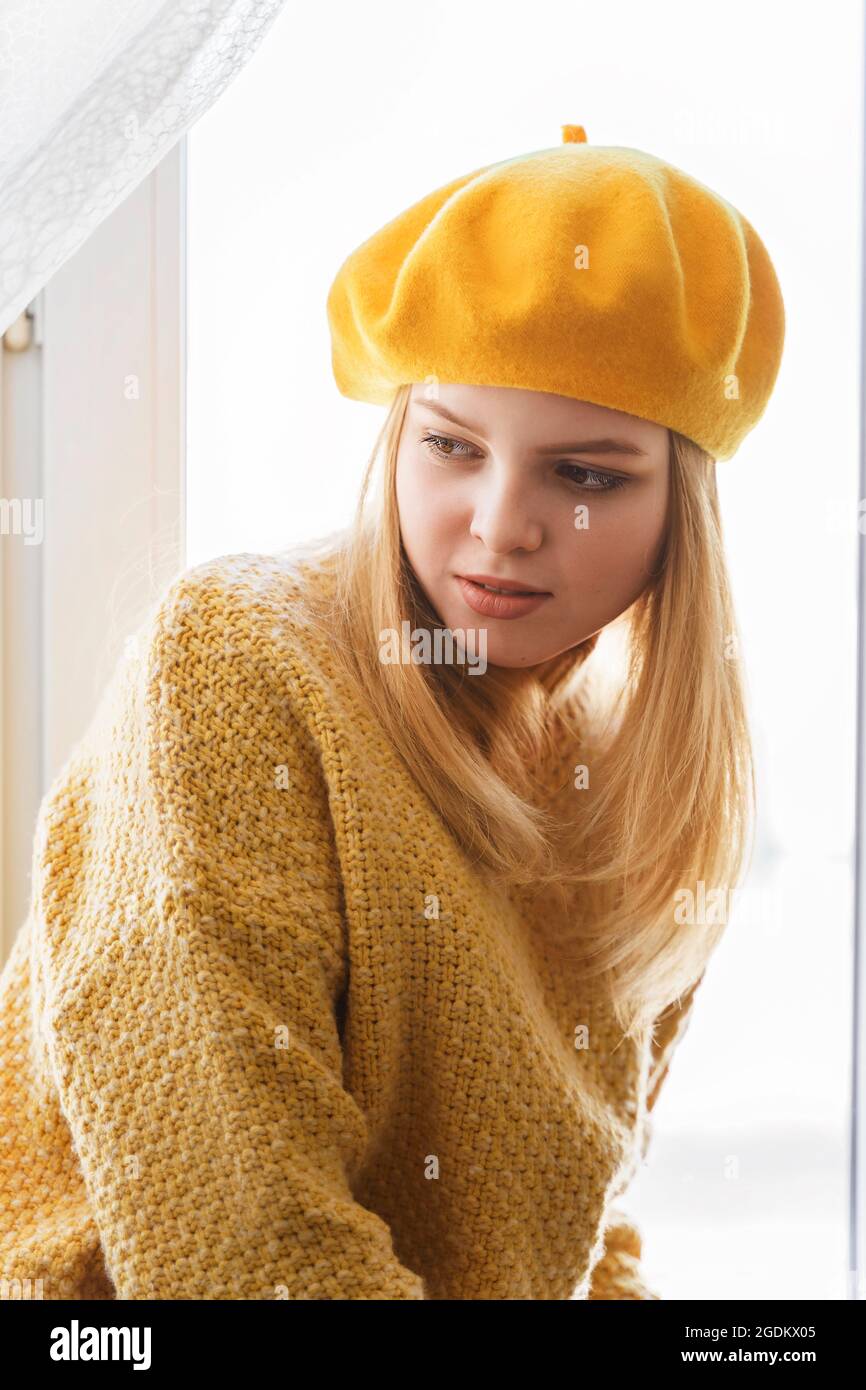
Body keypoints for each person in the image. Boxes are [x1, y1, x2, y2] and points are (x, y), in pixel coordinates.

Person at [0, 123, 784, 1300]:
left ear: (683, 506)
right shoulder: (236, 660)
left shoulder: (644, 793)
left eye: (584, 474)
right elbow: (246, 1253)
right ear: (394, 439)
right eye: (450, 445)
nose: (499, 523)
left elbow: (584, 1235)